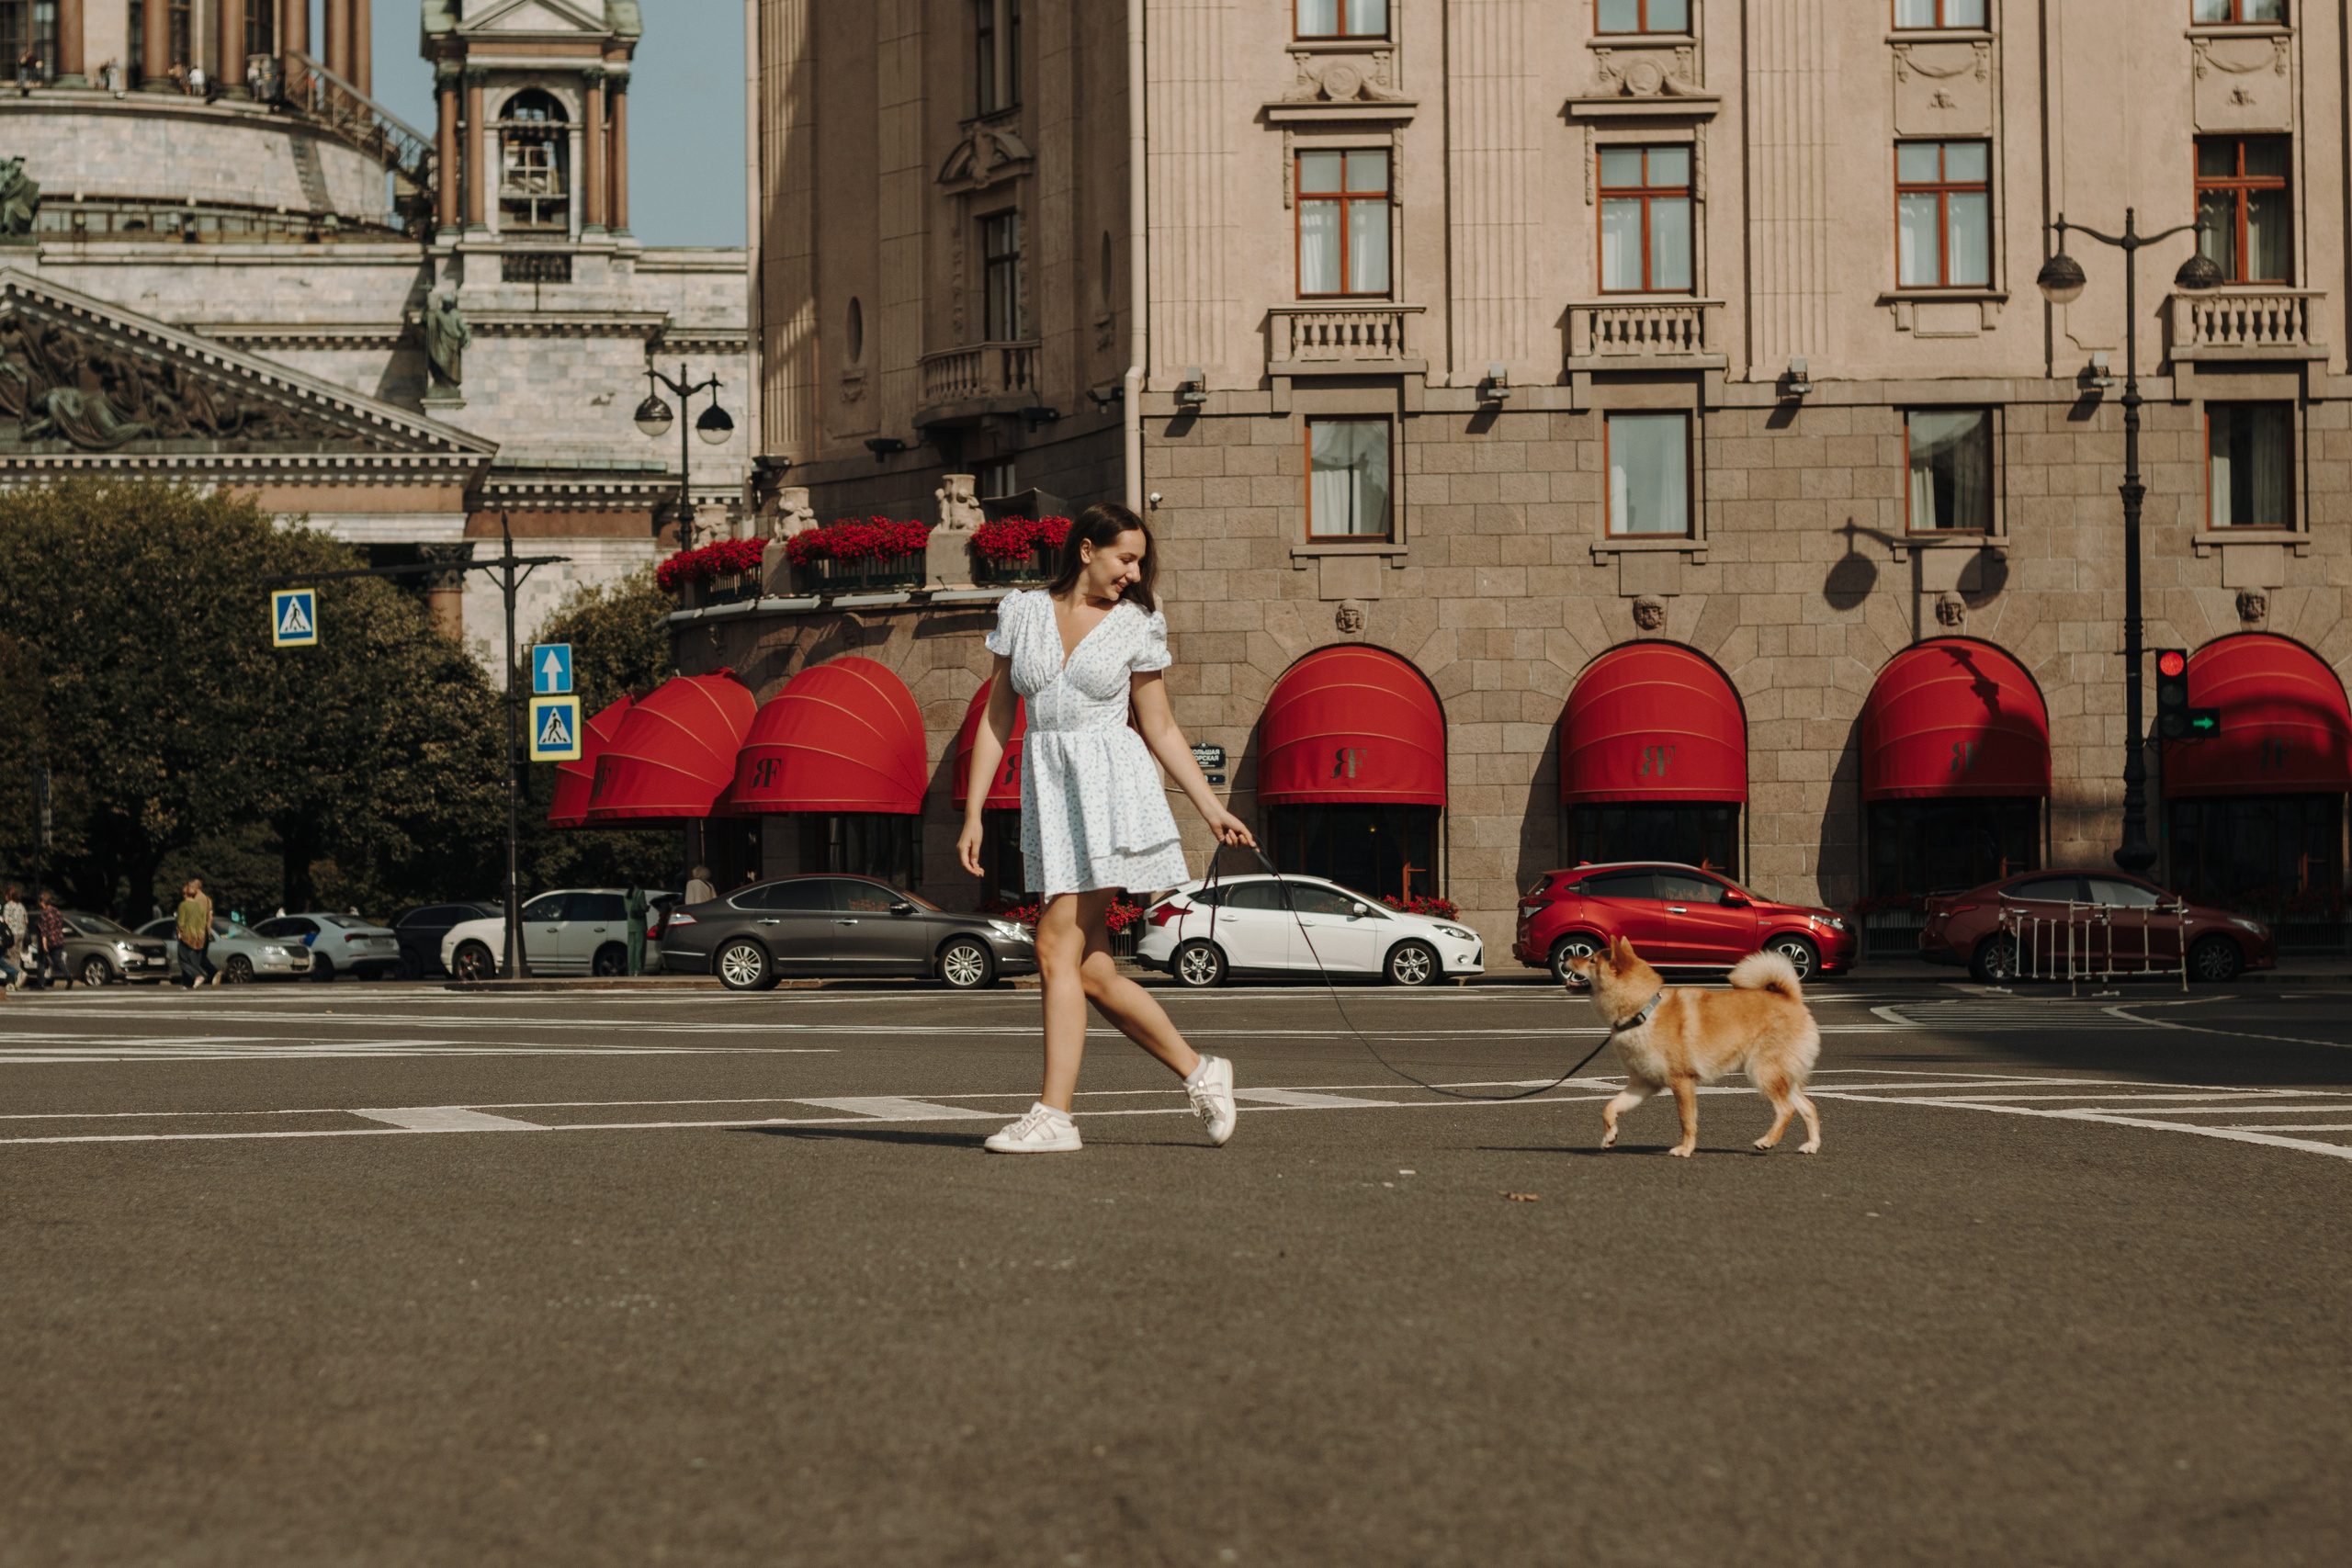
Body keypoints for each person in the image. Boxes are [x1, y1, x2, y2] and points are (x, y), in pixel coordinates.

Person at [957, 502, 1251, 1155]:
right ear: (1086, 549)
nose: (1135, 570)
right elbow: (996, 719)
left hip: (1113, 795)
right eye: (1126, 557)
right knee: (1087, 967)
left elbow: (1161, 727)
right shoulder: (1023, 612)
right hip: (1052, 796)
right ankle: (1202, 1072)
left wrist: (1211, 807)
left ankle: (1055, 1114)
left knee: (1052, 947)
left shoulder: (1137, 624)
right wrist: (975, 809)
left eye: (1140, 560)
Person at [175, 878, 219, 989]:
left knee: (183, 959)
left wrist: (180, 933)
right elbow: (206, 919)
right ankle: (194, 980)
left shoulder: (184, 905)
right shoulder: (206, 900)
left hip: (188, 934)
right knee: (195, 959)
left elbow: (180, 922)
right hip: (200, 934)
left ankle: (197, 976)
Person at [31, 891, 71, 989]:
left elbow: (44, 930)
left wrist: (44, 943)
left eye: (40, 902)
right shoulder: (57, 911)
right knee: (58, 960)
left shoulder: (44, 914)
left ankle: (41, 983)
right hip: (58, 938)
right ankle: (68, 976)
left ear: (42, 902)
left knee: (41, 961)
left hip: (48, 940)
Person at [2, 886, 25, 993]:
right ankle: (13, 983)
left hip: (12, 934)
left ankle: (19, 973)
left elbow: (6, 921)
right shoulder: (20, 906)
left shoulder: (7, 906)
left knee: (8, 958)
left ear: (7, 896)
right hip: (21, 933)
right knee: (17, 957)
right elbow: (26, 921)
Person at [625, 886, 649, 977]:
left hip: (630, 923)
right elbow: (643, 907)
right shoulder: (640, 892)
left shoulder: (626, 893)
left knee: (631, 949)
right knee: (640, 948)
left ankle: (631, 971)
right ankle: (638, 970)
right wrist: (647, 908)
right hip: (640, 923)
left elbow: (626, 909)